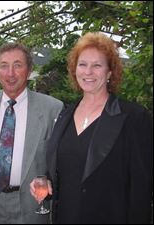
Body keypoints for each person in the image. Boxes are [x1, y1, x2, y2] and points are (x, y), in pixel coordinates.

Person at [31, 32, 153, 224]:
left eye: (97, 65)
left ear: (109, 73)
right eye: (83, 64)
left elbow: (142, 190)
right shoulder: (65, 114)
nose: (88, 72)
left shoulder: (134, 118)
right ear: (74, 70)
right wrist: (48, 182)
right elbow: (66, 168)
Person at [0, 43, 63, 224]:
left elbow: (59, 160)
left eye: (18, 65)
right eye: (4, 66)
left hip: (33, 206)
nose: (10, 73)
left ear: (29, 71)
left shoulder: (52, 108)